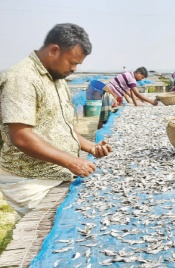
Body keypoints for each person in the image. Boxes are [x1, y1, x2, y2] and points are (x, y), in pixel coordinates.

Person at [0, 23, 112, 217]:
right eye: (72, 62)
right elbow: (21, 136)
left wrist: (91, 147)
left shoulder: (57, 79)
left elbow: (60, 126)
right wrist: (71, 161)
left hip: (58, 173)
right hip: (31, 179)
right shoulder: (22, 78)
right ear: (54, 51)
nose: (74, 69)